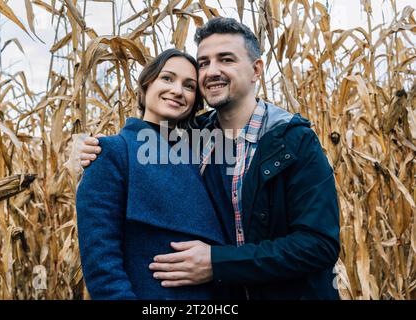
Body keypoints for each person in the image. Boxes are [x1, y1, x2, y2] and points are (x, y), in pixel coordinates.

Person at [79, 17, 340, 300]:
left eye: (225, 59)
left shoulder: (293, 141)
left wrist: (218, 263)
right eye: (204, 63)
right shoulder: (191, 140)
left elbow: (319, 245)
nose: (211, 72)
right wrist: (85, 151)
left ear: (256, 69)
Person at [75, 49, 229, 300]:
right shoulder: (112, 152)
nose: (178, 91)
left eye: (189, 86)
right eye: (167, 78)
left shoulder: (201, 156)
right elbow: (102, 264)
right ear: (146, 86)